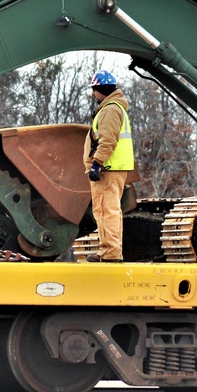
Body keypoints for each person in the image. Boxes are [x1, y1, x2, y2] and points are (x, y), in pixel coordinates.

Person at [83, 70, 134, 262]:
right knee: (105, 210)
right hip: (112, 167)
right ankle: (108, 250)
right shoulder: (114, 108)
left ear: (101, 89)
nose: (93, 94)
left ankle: (111, 253)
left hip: (108, 168)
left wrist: (97, 164)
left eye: (94, 90)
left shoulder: (110, 110)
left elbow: (107, 141)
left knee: (107, 210)